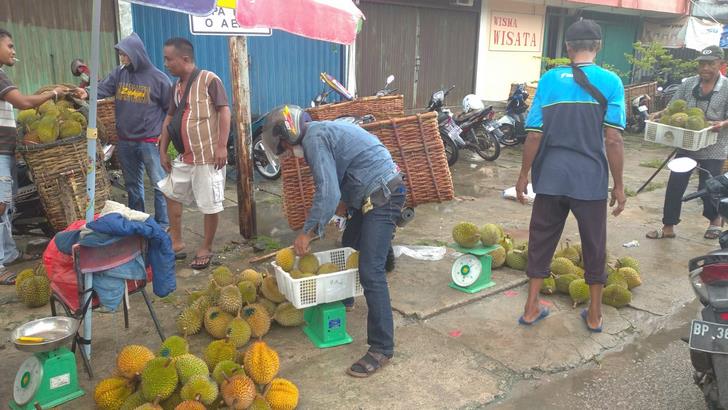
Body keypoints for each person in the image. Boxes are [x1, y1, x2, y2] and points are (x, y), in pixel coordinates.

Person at [261, 105, 406, 377]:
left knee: (370, 271)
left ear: (289, 134)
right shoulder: (319, 132)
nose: (286, 151)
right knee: (350, 243)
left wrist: (308, 231)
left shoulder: (314, 139)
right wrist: (341, 206)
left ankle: (382, 347)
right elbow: (341, 175)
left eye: (282, 144)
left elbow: (327, 191)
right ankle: (347, 296)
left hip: (382, 194)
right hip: (371, 192)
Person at [515, 19, 626, 332]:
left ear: (567, 47)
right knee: (594, 245)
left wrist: (524, 174)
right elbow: (614, 139)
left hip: (549, 177)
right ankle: (594, 315)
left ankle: (530, 307)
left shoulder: (549, 80)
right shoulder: (611, 81)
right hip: (589, 181)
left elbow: (534, 135)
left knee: (541, 241)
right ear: (599, 46)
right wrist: (618, 185)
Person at [76, 33, 171, 229]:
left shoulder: (159, 79)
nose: (122, 59)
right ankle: (138, 220)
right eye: (121, 55)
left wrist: (165, 134)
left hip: (150, 141)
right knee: (132, 185)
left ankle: (163, 223)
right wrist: (86, 93)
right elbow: (103, 88)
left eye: (125, 55)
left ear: (137, 54)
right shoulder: (120, 74)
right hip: (125, 140)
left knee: (160, 184)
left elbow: (170, 110)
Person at [0, 28, 68, 284]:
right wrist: (54, 93)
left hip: (5, 151)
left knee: (7, 207)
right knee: (0, 206)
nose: (13, 51)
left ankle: (8, 253)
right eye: (9, 45)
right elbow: (25, 103)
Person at [157, 37, 230, 270]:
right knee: (169, 192)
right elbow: (169, 118)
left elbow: (224, 111)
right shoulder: (175, 87)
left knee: (210, 205)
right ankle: (176, 241)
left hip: (208, 157)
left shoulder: (209, 80)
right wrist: (163, 150)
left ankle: (206, 246)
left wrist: (221, 146)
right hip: (185, 156)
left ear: (185, 59)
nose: (166, 64)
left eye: (169, 59)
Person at [646, 45, 728, 240]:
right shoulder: (688, 84)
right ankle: (669, 223)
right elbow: (673, 107)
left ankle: (714, 220)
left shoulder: (726, 88)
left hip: (713, 145)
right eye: (701, 64)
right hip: (687, 143)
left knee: (711, 186)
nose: (705, 68)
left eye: (710, 64)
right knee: (676, 182)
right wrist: (659, 115)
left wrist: (722, 123)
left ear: (721, 65)